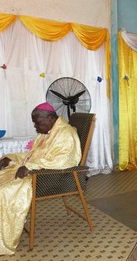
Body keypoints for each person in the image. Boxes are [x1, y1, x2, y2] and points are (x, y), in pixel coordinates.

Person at [0, 102, 81, 255]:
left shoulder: (66, 134)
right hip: (34, 173)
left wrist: (30, 167)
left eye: (37, 123)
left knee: (3, 191)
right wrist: (10, 159)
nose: (35, 127)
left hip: (47, 178)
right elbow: (31, 155)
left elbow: (64, 160)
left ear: (50, 118)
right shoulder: (47, 132)